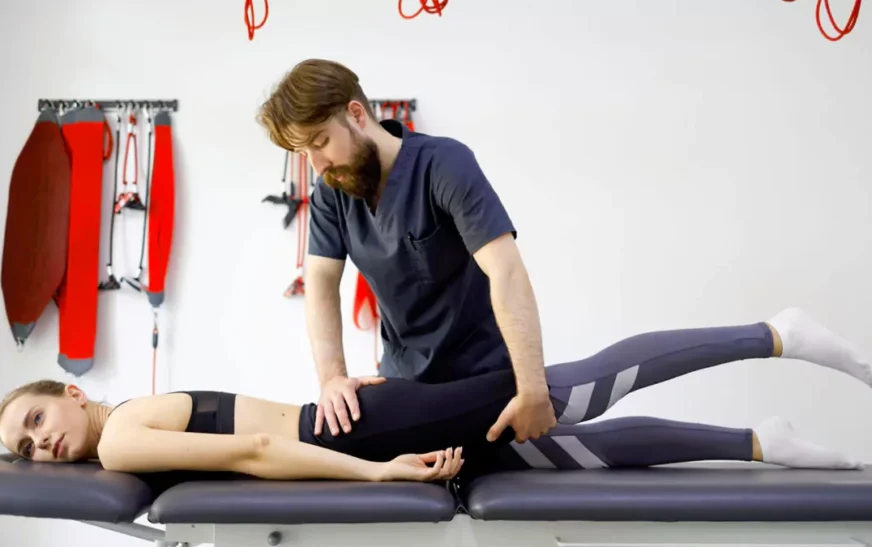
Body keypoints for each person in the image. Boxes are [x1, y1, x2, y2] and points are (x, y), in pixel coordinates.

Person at [0, 307, 868, 481]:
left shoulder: (118, 440)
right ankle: (757, 441)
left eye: (34, 420)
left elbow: (253, 448)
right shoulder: (123, 430)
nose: (41, 444)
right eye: (25, 449)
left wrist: (378, 475)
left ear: (69, 393)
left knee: (571, 393)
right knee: (558, 451)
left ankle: (775, 334)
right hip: (358, 429)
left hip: (357, 437)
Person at [256, 58, 556, 444]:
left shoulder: (444, 164)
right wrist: (332, 379)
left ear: (356, 114)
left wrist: (532, 389)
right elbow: (320, 282)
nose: (317, 166)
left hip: (485, 378)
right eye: (305, 153)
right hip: (405, 382)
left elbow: (507, 271)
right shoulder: (331, 195)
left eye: (320, 142)